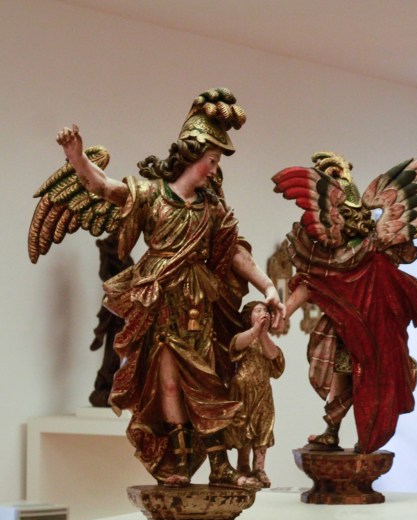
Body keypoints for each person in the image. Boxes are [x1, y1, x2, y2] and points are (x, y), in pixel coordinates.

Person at [53, 88, 284, 487]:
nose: (214, 170)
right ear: (193, 155)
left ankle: (219, 465)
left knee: (207, 381)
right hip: (159, 304)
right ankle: (177, 459)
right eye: (212, 160)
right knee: (169, 384)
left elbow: (234, 252)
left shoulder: (212, 208)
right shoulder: (151, 195)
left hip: (198, 305)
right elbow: (105, 187)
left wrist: (267, 286)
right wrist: (76, 158)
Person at [274, 150, 417, 453]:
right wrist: (283, 312)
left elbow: (318, 282)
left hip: (375, 326)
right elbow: (311, 284)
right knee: (341, 377)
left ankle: (356, 432)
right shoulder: (328, 260)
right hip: (343, 328)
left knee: (369, 379)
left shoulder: (373, 251)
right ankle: (332, 430)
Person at [225, 301, 284, 488]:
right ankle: (243, 465)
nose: (263, 313)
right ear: (248, 317)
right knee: (243, 427)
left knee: (263, 426)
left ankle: (259, 467)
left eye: (265, 310)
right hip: (242, 391)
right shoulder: (243, 337)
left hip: (262, 391)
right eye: (258, 310)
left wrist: (263, 333)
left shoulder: (265, 341)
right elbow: (236, 345)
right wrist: (256, 329)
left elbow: (274, 356)